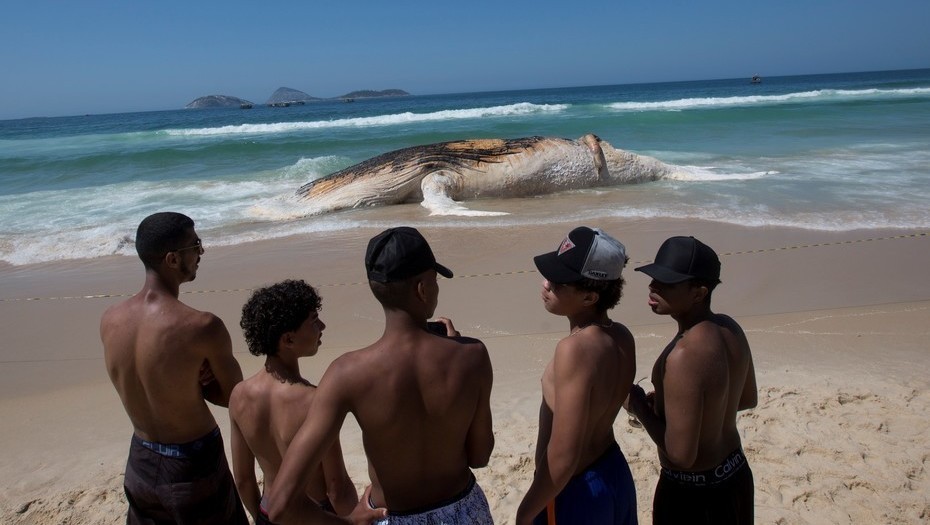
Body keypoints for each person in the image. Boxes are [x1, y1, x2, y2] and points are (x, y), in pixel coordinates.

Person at [265, 226, 495, 524]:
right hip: (464, 512)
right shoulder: (472, 356)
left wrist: (347, 522)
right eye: (435, 280)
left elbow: (281, 505)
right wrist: (456, 349)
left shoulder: (346, 373)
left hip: (393, 516)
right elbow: (480, 456)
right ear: (422, 289)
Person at [100, 211, 249, 524]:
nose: (201, 252)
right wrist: (204, 385)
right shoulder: (201, 327)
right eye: (195, 245)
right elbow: (236, 398)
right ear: (171, 259)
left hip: (140, 459)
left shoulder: (110, 320)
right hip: (192, 462)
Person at [626, 236, 757, 525]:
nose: (653, 287)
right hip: (735, 473)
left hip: (693, 493)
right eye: (653, 277)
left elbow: (681, 456)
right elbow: (747, 399)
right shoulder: (729, 329)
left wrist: (638, 406)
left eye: (666, 282)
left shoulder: (684, 355)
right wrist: (680, 409)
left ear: (699, 293)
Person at [517, 226, 638, 525]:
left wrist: (524, 513)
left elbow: (563, 457)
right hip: (614, 473)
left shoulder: (574, 349)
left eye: (558, 282)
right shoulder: (622, 336)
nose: (546, 284)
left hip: (577, 489)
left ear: (588, 297)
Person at [229, 279, 359, 524]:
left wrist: (261, 518)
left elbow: (243, 480)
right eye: (313, 320)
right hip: (313, 515)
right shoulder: (315, 400)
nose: (322, 325)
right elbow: (336, 487)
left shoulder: (239, 396)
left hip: (269, 512)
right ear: (288, 340)